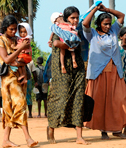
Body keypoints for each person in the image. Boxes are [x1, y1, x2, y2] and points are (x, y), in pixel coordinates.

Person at [83, 3, 126, 139]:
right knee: (100, 102)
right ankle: (103, 130)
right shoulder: (92, 34)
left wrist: (106, 10)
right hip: (99, 74)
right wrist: (95, 9)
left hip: (115, 73)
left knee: (119, 101)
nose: (108, 26)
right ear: (99, 23)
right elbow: (85, 23)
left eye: (109, 24)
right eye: (105, 24)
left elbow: (121, 16)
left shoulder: (114, 31)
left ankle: (117, 129)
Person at [47, 6, 89, 145]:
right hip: (62, 68)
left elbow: (74, 45)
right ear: (66, 19)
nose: (75, 20)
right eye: (72, 18)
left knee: (78, 99)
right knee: (61, 96)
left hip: (78, 67)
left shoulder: (78, 30)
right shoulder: (59, 29)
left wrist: (68, 44)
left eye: (77, 17)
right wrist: (69, 43)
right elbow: (56, 43)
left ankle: (79, 136)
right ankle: (51, 128)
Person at [0, 15, 38, 147]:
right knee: (20, 104)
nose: (14, 32)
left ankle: (6, 139)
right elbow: (6, 60)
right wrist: (20, 48)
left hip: (19, 77)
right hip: (8, 79)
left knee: (11, 108)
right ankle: (28, 138)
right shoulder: (0, 41)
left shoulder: (17, 40)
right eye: (11, 29)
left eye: (15, 29)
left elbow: (23, 58)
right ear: (5, 28)